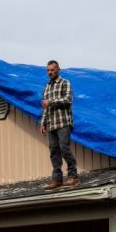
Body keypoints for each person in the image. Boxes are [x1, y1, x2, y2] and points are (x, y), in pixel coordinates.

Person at [41, 60, 79, 189]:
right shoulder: (46, 87)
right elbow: (45, 108)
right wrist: (43, 123)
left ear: (58, 69)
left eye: (52, 70)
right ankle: (57, 179)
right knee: (53, 152)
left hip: (63, 122)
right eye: (48, 70)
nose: (50, 72)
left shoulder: (65, 83)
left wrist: (50, 101)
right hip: (51, 124)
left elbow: (68, 100)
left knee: (64, 147)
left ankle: (73, 176)